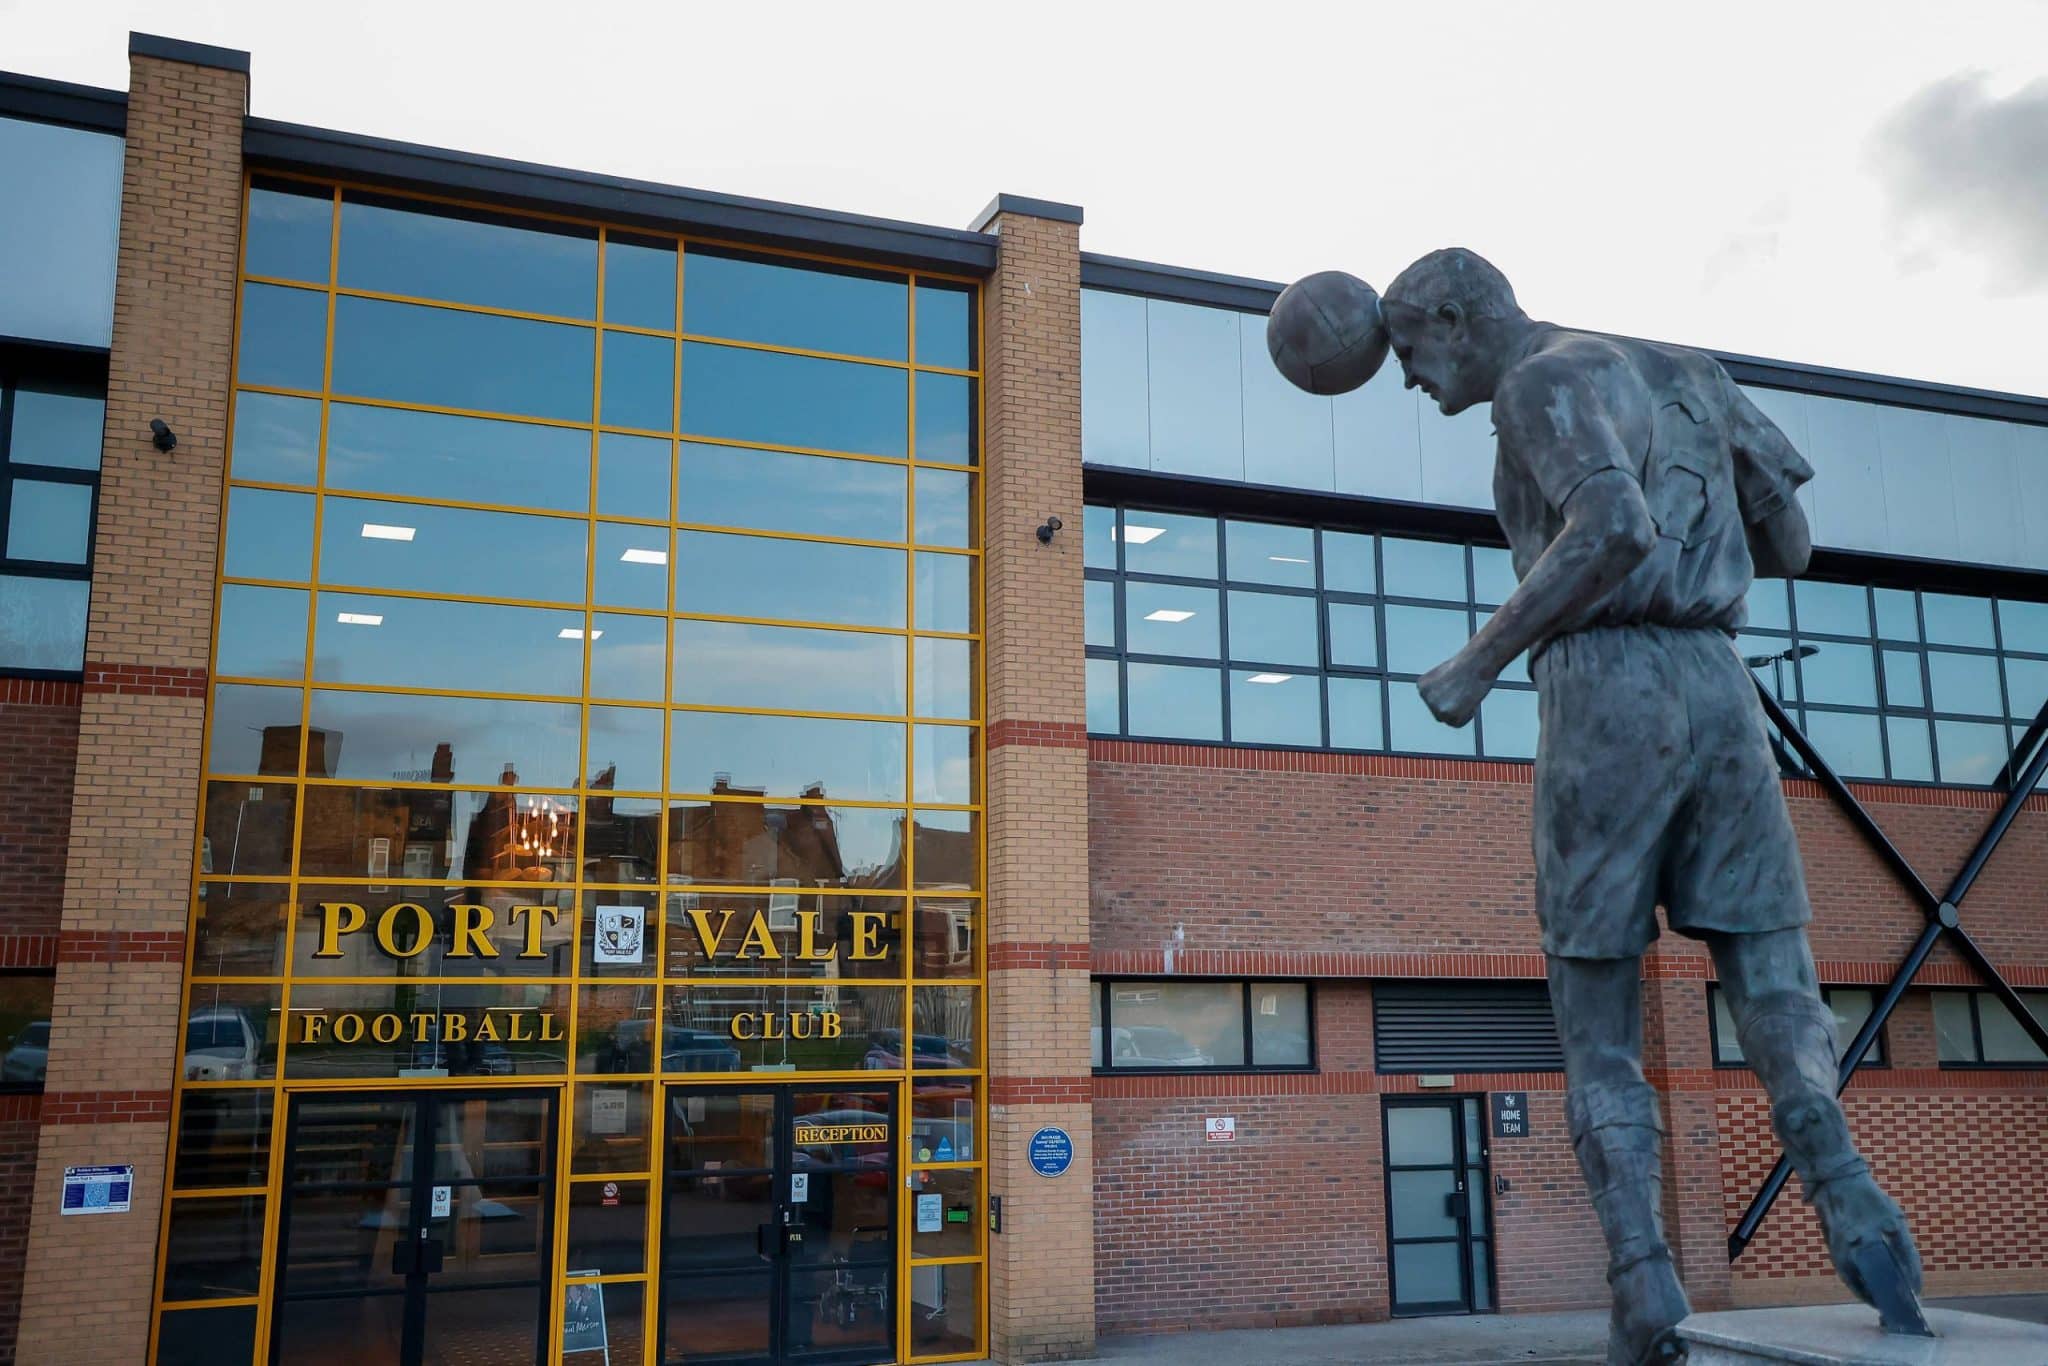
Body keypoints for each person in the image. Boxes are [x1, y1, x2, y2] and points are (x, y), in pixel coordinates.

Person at [1378, 249, 1925, 1366]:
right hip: (1722, 686)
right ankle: (1842, 1183)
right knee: (1772, 972)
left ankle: (1637, 1276)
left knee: (1593, 1001)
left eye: (1406, 349)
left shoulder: (1535, 384)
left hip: (1603, 688)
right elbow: (1790, 544)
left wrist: (1477, 661)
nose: (1404, 379)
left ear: (1452, 315)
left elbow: (1613, 525)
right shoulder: (1689, 369)